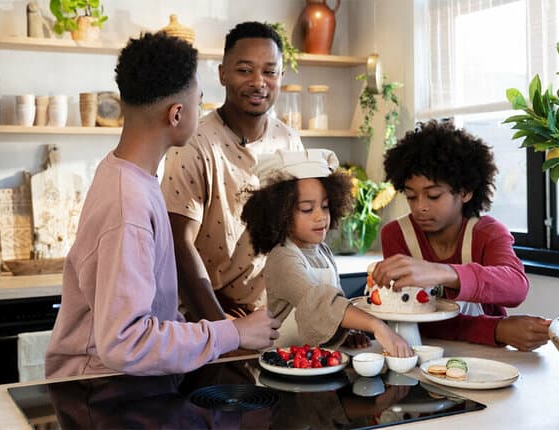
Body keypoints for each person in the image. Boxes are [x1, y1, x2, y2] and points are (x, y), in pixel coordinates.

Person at [44, 32, 280, 379]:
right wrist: (233, 333)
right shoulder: (129, 205)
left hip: (119, 383)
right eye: (200, 103)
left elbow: (152, 319)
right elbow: (127, 342)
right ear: (176, 115)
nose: (202, 114)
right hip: (99, 390)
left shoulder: (128, 175)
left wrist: (217, 334)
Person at [162, 21, 303, 323]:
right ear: (223, 74)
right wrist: (224, 325)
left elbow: (298, 234)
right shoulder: (193, 143)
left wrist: (329, 314)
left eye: (269, 71)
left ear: (281, 76)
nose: (258, 82)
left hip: (275, 317)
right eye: (244, 70)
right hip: (209, 316)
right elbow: (177, 244)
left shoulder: (289, 141)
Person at [370, 120, 550, 351]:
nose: (420, 207)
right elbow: (408, 318)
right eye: (411, 196)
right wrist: (496, 329)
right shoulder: (396, 235)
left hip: (486, 358)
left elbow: (516, 288)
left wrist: (442, 272)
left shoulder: (488, 233)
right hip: (419, 353)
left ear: (465, 192)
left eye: (433, 196)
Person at [241, 149, 412, 357]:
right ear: (279, 215)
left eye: (325, 207)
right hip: (281, 361)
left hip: (313, 362)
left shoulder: (322, 251)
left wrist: (344, 333)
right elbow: (319, 302)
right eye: (307, 209)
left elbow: (335, 305)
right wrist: (377, 325)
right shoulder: (283, 258)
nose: (320, 217)